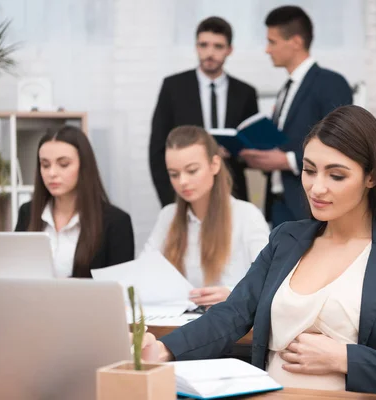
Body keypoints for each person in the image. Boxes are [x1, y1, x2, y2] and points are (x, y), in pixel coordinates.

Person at [139, 106, 376, 399]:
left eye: (336, 175)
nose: (317, 187)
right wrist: (165, 349)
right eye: (309, 169)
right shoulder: (287, 239)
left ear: (371, 177)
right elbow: (231, 314)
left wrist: (345, 358)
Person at [240, 6, 353, 227]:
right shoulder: (286, 89)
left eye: (272, 42)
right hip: (279, 203)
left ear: (296, 42)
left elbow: (340, 143)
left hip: (311, 202)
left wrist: (287, 160)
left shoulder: (330, 83)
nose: (267, 50)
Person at [143, 125, 269, 307]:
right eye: (174, 174)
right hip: (180, 323)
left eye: (192, 170)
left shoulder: (246, 215)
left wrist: (232, 293)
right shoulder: (168, 216)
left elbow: (270, 280)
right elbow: (144, 273)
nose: (182, 182)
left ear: (215, 165)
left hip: (231, 324)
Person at [149, 16, 258, 207]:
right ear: (196, 47)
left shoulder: (245, 92)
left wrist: (235, 151)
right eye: (204, 45)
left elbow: (252, 148)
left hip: (232, 191)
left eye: (218, 46)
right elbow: (158, 149)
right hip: (185, 194)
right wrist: (170, 201)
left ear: (229, 50)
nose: (210, 52)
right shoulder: (173, 87)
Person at [15, 125, 134, 278]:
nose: (52, 173)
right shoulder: (27, 213)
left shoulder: (116, 222)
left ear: (84, 166)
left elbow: (118, 290)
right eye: (45, 165)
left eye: (63, 164)